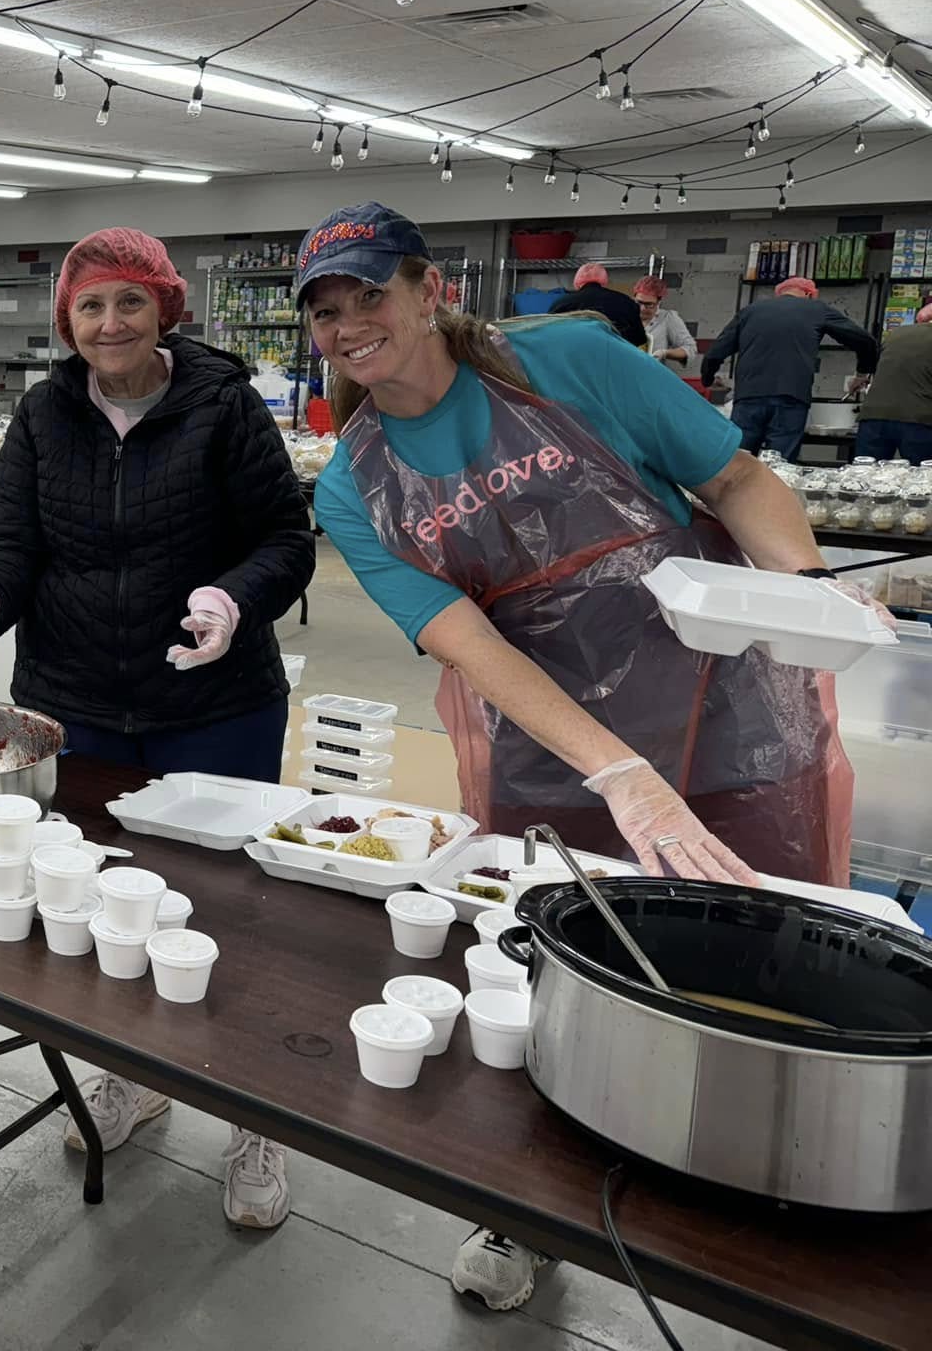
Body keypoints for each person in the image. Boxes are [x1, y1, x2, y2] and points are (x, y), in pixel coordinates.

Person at [300, 202, 857, 1312]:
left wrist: (796, 598)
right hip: (553, 739)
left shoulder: (566, 362)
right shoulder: (350, 484)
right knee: (555, 975)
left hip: (725, 696)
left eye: (371, 292)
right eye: (325, 309)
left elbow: (736, 481)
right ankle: (526, 1212)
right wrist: (614, 768)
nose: (350, 322)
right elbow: (464, 641)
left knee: (755, 946)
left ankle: (762, 1212)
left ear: (426, 290)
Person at [0, 226, 315, 1230]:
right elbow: (10, 542)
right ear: (67, 319)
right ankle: (126, 1075)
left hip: (214, 704)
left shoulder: (222, 406)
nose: (107, 325)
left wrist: (232, 602)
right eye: (89, 306)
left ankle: (250, 1117)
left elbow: (285, 539)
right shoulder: (42, 413)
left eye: (128, 304)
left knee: (225, 912)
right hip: (77, 700)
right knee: (102, 902)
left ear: (164, 310)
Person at [699, 276, 881, 458]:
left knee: (738, 460)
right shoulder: (817, 309)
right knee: (780, 464)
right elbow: (865, 341)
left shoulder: (750, 311)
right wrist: (862, 373)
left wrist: (707, 378)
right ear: (809, 294)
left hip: (749, 397)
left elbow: (717, 350)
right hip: (791, 397)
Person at [855, 300, 932, 462]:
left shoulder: (895, 334)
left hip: (873, 416)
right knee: (920, 481)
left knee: (864, 477)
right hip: (919, 419)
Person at [549, 262, 646, 348]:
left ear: (577, 282)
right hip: (613, 360)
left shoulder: (561, 303)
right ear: (604, 281)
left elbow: (548, 336)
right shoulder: (626, 302)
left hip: (574, 361)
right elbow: (640, 338)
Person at [633, 276, 696, 371]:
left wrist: (665, 353)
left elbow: (690, 349)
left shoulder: (667, 319)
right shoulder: (624, 316)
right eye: (639, 303)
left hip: (651, 376)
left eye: (649, 304)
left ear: (659, 302)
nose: (642, 308)